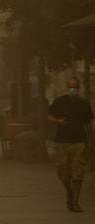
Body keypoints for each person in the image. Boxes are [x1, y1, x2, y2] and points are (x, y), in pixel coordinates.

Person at [48, 78, 93, 212]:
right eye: (70, 87)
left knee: (78, 172)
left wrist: (90, 142)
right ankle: (70, 191)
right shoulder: (60, 102)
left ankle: (75, 202)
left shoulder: (84, 104)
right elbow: (49, 116)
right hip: (62, 141)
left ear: (79, 89)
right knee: (63, 172)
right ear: (67, 88)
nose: (72, 90)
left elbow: (89, 123)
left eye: (74, 87)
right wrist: (59, 121)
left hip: (79, 141)